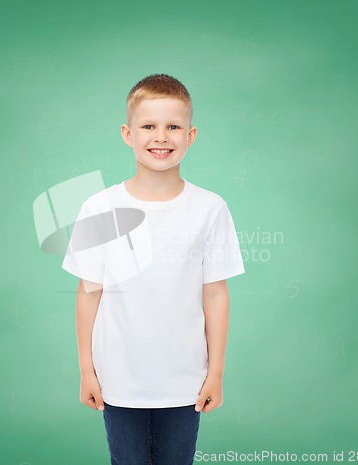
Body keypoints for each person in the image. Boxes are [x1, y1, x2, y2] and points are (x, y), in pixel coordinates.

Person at [62, 73, 246, 465]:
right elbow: (88, 291)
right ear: (128, 133)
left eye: (173, 127)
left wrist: (216, 372)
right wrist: (86, 369)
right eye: (149, 126)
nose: (160, 137)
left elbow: (215, 293)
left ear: (191, 135)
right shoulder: (100, 208)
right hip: (118, 378)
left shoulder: (210, 208)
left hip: (185, 380)